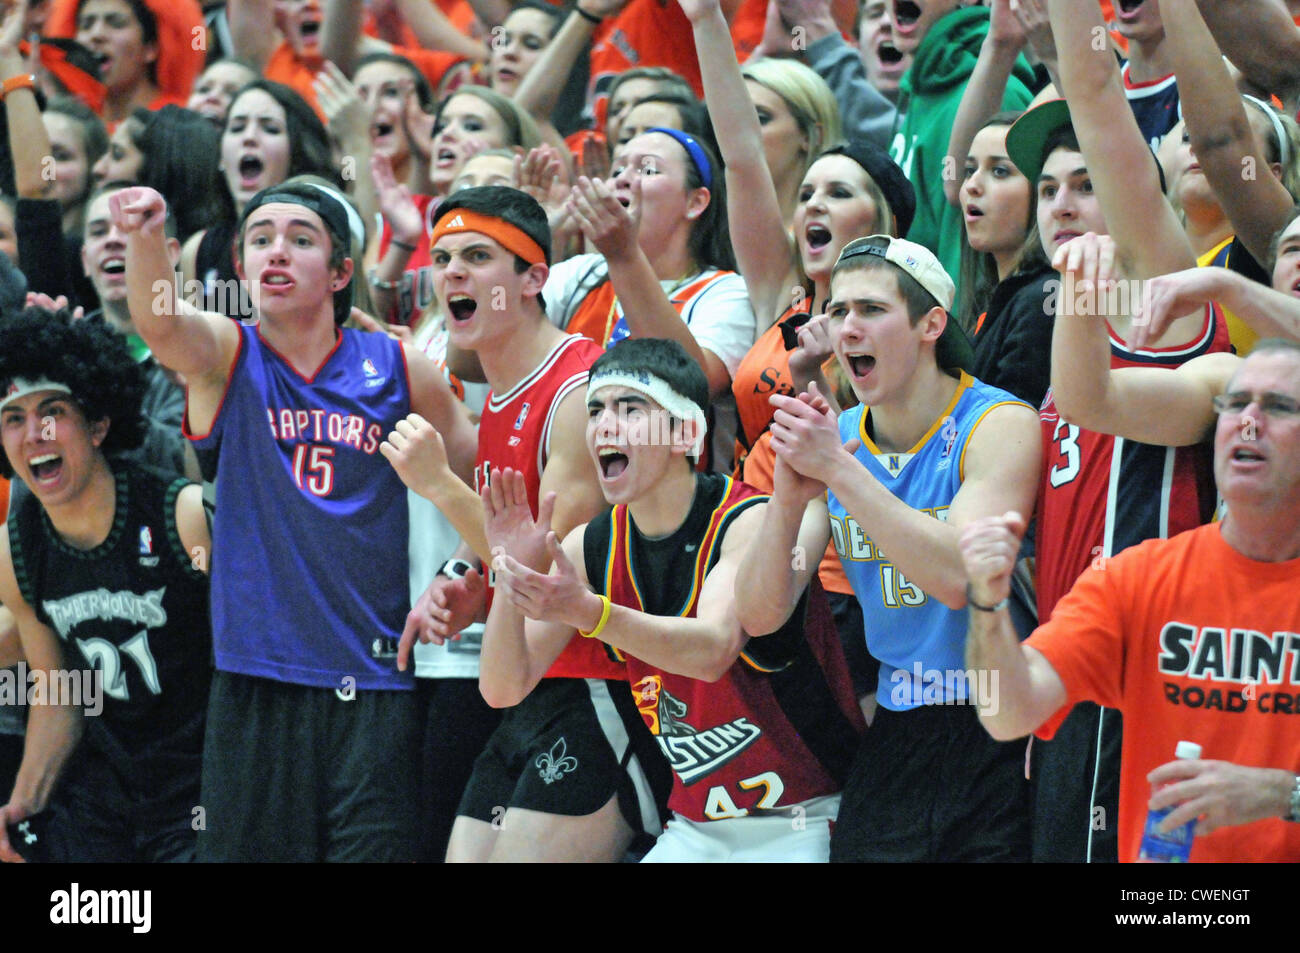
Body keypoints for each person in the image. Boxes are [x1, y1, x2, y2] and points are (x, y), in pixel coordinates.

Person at [115, 179, 478, 861]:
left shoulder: (400, 367)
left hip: (374, 684)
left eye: (300, 239)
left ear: (342, 272)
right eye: (261, 239)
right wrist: (144, 235)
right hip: (259, 682)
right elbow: (162, 325)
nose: (276, 251)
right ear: (243, 265)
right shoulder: (228, 356)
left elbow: (491, 475)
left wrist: (463, 566)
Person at [479, 337, 864, 862]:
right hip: (696, 827)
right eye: (596, 410)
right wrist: (507, 574)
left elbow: (712, 651)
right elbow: (504, 687)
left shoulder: (745, 519)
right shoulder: (593, 546)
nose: (605, 426)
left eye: (630, 409)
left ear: (686, 432)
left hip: (808, 817)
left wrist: (589, 613)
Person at [382, 186, 670, 862]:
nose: (451, 271)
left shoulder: (578, 393)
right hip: (534, 694)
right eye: (445, 255)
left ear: (535, 278)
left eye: (478, 256)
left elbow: (549, 576)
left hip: (602, 689)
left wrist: (439, 486)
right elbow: (510, 542)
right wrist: (465, 580)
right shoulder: (503, 394)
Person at [737, 234, 1041, 861]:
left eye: (871, 310)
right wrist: (791, 498)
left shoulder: (999, 423)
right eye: (839, 311)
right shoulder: (837, 438)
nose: (848, 329)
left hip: (1002, 721)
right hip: (899, 722)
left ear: (931, 323)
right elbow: (762, 615)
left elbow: (960, 575)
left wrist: (841, 473)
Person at [960, 337, 1300, 863]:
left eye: (1278, 407)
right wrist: (987, 609)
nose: (1247, 423)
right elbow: (1006, 711)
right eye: (1234, 404)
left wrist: (1283, 795)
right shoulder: (1139, 579)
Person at [0, 307, 211, 863]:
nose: (34, 434)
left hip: (203, 784)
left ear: (97, 422)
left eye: (53, 411)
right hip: (107, 791)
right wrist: (19, 807)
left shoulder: (182, 515)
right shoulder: (16, 547)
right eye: (13, 418)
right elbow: (57, 694)